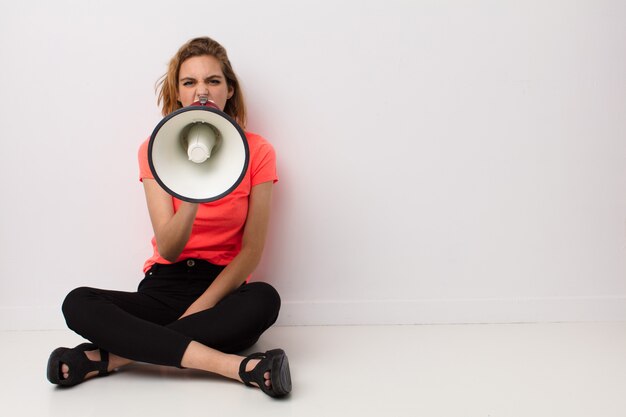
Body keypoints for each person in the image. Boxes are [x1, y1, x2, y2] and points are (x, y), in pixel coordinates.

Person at [46, 36, 292, 398]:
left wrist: (199, 310)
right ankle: (238, 367)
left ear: (229, 90)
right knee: (77, 302)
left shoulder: (257, 151)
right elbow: (170, 247)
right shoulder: (155, 150)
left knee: (265, 299)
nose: (202, 91)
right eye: (189, 82)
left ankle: (111, 358)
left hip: (221, 290)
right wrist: (192, 189)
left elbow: (251, 252)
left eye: (213, 81)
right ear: (178, 93)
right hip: (164, 284)